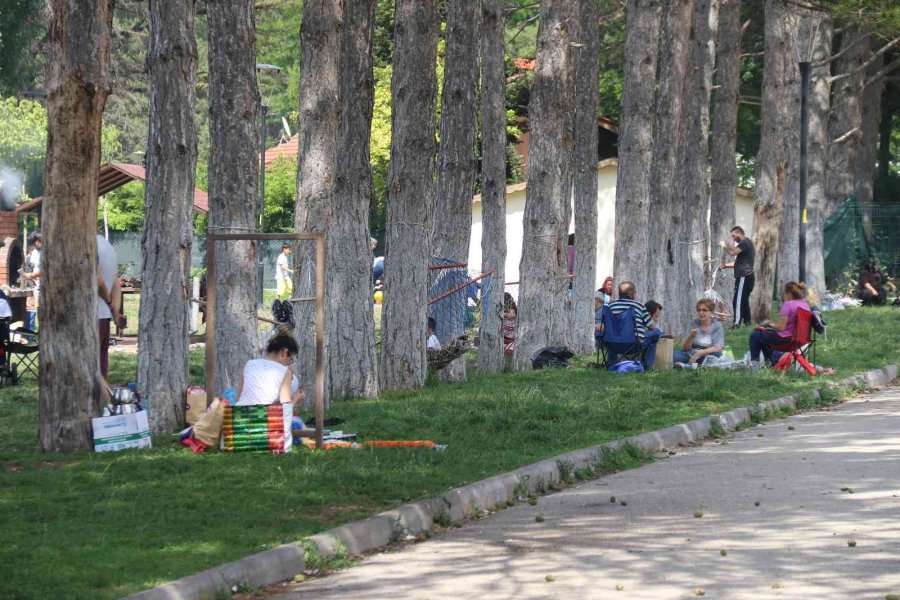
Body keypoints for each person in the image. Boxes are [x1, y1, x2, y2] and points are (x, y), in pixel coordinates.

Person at [748, 281, 810, 369]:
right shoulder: (805, 304)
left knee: (755, 334)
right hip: (800, 341)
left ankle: (755, 366)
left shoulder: (788, 304)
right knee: (763, 335)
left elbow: (781, 328)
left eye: (784, 293)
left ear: (789, 293)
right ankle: (770, 363)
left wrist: (769, 324)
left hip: (787, 340)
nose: (783, 295)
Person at [598, 281, 659, 366]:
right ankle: (646, 364)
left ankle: (611, 364)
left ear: (619, 293)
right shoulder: (639, 306)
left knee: (612, 333)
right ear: (634, 293)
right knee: (656, 332)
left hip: (611, 344)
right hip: (634, 345)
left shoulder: (610, 306)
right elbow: (651, 326)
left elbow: (604, 326)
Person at [236, 333, 304, 406]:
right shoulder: (285, 372)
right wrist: (296, 398)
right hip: (263, 416)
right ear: (284, 352)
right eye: (290, 360)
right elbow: (286, 411)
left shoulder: (249, 364)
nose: (288, 363)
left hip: (239, 414)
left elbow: (238, 398)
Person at [96, 234, 124, 379]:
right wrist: (114, 312)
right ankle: (104, 400)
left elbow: (98, 281)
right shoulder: (108, 246)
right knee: (101, 367)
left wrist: (108, 302)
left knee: (90, 366)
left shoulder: (88, 244)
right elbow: (116, 284)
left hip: (90, 315)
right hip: (104, 316)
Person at [673, 298, 725, 368]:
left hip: (707, 354)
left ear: (711, 312)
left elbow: (718, 347)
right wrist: (691, 337)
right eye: (699, 310)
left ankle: (688, 365)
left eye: (704, 310)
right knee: (674, 356)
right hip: (691, 353)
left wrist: (700, 353)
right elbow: (685, 348)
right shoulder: (693, 323)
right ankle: (696, 364)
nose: (701, 312)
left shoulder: (717, 326)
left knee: (716, 354)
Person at [719, 226, 755, 326]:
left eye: (734, 236)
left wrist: (724, 245)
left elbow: (732, 252)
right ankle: (748, 322)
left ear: (739, 233)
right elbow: (738, 263)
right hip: (748, 276)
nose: (733, 238)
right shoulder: (747, 243)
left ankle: (736, 323)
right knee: (744, 300)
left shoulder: (744, 242)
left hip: (744, 276)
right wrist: (725, 265)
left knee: (738, 300)